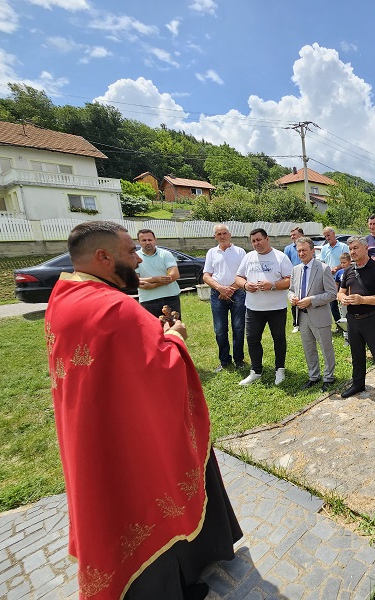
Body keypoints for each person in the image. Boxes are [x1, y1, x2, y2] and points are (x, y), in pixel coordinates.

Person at [45, 221, 241, 599]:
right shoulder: (114, 307)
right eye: (130, 252)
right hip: (133, 437)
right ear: (103, 257)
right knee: (144, 501)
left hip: (93, 431)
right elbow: (162, 369)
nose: (137, 260)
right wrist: (176, 337)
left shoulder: (65, 295)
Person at [338, 236, 375, 407]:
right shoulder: (349, 270)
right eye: (350, 249)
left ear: (365, 248)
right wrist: (342, 298)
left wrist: (363, 300)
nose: (352, 252)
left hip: (372, 320)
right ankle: (358, 384)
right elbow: (340, 292)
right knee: (357, 355)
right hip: (353, 320)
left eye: (355, 248)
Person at [235, 228, 293, 387]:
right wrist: (246, 285)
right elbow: (238, 277)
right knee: (252, 339)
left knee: (278, 339)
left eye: (259, 240)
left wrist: (272, 285)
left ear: (267, 239)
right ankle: (256, 371)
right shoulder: (248, 257)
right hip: (253, 308)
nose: (256, 243)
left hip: (276, 308)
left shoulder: (280, 257)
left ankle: (280, 369)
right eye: (253, 241)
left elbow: (290, 280)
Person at [288, 237, 337, 391]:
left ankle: (329, 377)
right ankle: (313, 376)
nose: (301, 253)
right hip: (302, 316)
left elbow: (332, 294)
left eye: (304, 250)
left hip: (319, 315)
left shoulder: (323, 268)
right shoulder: (296, 269)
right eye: (299, 251)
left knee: (325, 347)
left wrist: (311, 300)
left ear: (312, 250)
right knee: (309, 348)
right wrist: (292, 298)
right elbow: (290, 290)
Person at [203, 224, 247, 372]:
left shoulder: (240, 251)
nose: (222, 236)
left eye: (224, 233)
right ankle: (224, 360)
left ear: (230, 234)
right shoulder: (211, 252)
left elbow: (244, 275)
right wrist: (220, 288)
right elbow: (206, 275)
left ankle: (239, 359)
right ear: (215, 236)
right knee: (220, 329)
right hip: (217, 295)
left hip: (238, 293)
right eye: (219, 234)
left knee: (239, 328)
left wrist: (230, 289)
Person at [136, 228, 181, 317]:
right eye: (144, 240)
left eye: (150, 240)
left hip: (170, 297)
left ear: (155, 240)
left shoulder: (165, 254)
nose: (148, 242)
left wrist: (153, 285)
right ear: (138, 242)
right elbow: (135, 280)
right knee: (153, 329)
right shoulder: (135, 257)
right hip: (148, 300)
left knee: (174, 327)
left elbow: (174, 275)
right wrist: (155, 279)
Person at [319, 226, 349, 329]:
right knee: (332, 303)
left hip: (342, 277)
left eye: (328, 235)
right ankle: (339, 325)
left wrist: (337, 268)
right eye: (325, 236)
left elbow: (348, 261)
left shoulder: (343, 247)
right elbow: (322, 262)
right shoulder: (324, 248)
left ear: (334, 234)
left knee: (344, 301)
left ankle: (348, 323)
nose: (327, 238)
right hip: (329, 279)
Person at [284, 227, 303, 334]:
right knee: (294, 301)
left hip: (306, 276)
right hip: (294, 278)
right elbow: (286, 264)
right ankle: (296, 324)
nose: (292, 237)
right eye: (291, 235)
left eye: (294, 235)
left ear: (301, 235)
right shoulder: (288, 248)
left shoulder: (308, 246)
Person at [334, 252, 352, 344]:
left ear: (349, 261)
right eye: (341, 263)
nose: (342, 265)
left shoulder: (354, 270)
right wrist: (337, 295)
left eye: (344, 262)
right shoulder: (339, 273)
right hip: (343, 300)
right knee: (344, 318)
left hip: (352, 299)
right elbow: (336, 285)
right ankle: (347, 338)